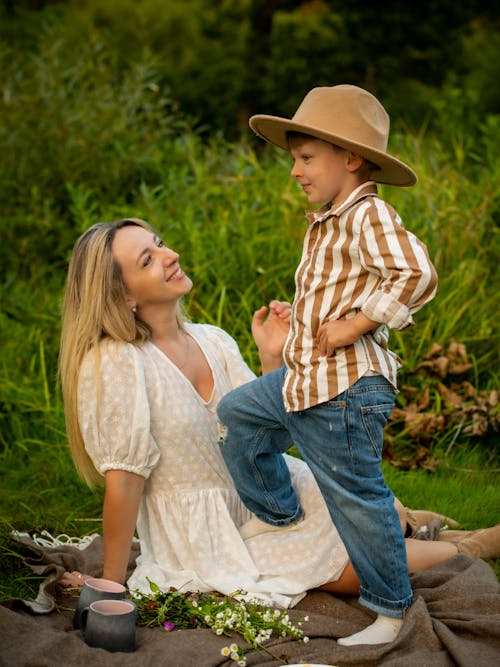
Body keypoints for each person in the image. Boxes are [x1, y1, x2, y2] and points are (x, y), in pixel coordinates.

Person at [58, 218, 498, 612]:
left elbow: (271, 435)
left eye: (160, 244)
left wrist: (273, 360)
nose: (170, 256)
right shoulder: (117, 362)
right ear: (123, 294)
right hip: (210, 529)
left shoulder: (213, 340)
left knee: (356, 511)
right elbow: (125, 475)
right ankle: (471, 549)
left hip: (271, 489)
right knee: (347, 571)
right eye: (148, 259)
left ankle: (405, 523)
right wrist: (111, 581)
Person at [215, 84, 443, 645]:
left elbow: (417, 274)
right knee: (238, 415)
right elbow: (339, 290)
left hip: (345, 389)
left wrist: (356, 323)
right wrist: (303, 320)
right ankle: (283, 514)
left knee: (358, 497)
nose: (295, 170)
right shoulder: (330, 220)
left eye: (306, 157)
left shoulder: (369, 213)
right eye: (295, 157)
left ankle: (391, 612)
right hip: (307, 381)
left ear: (351, 158)